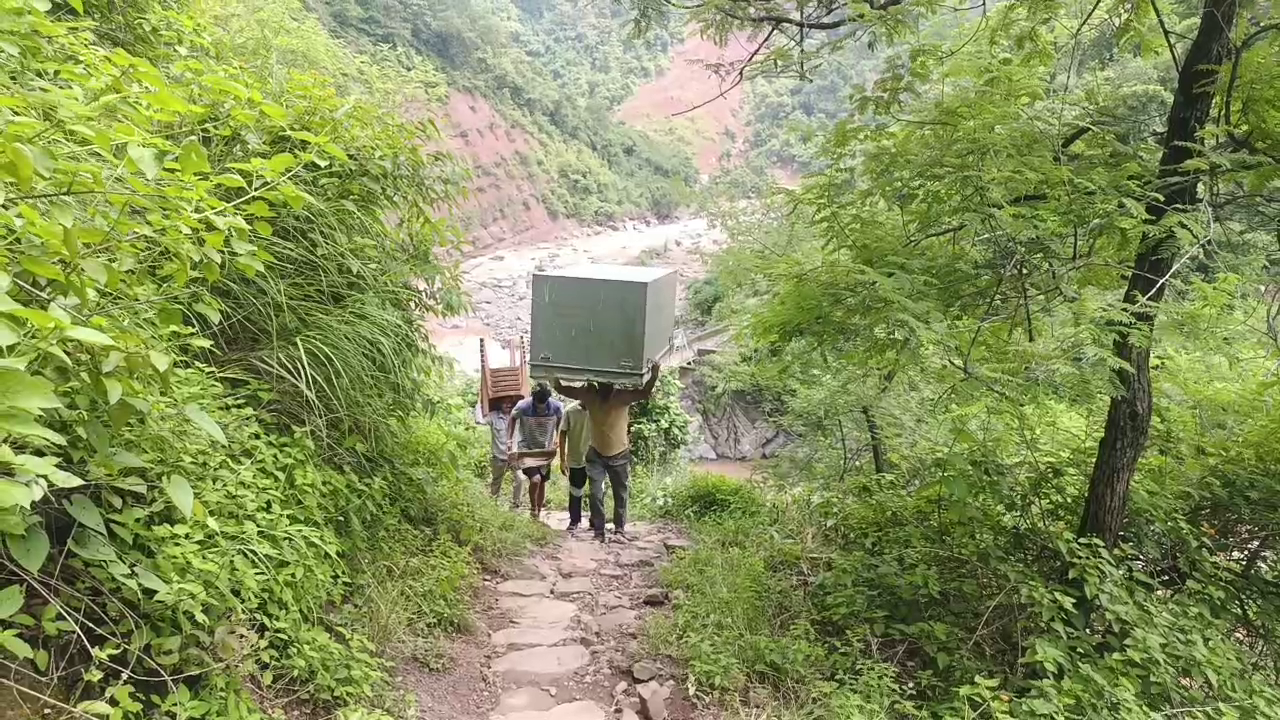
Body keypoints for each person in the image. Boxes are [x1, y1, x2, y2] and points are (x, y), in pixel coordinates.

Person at [555, 362, 661, 542]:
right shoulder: (590, 397)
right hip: (596, 454)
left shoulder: (622, 397)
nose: (604, 388)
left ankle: (619, 529)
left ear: (613, 384)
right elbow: (562, 389)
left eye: (607, 384)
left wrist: (654, 375)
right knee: (596, 494)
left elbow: (644, 393)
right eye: (601, 384)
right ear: (597, 384)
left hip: (619, 454)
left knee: (621, 493)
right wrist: (553, 374)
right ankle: (599, 531)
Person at [507, 381, 563, 520]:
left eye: (543, 402)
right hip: (527, 450)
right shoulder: (523, 406)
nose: (540, 405)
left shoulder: (556, 407)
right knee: (536, 479)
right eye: (538, 402)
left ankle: (538, 514)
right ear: (533, 398)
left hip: (545, 450)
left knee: (542, 481)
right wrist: (509, 441)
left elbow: (561, 421)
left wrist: (557, 437)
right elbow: (512, 418)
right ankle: (533, 508)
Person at [558, 399, 591, 532]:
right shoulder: (570, 411)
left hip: (595, 457)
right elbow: (562, 434)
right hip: (576, 457)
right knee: (576, 490)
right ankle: (574, 520)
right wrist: (562, 460)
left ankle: (595, 520)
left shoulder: (598, 408)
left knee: (597, 490)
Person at [482, 397, 521, 509]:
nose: (508, 405)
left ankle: (516, 504)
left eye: (510, 403)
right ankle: (493, 505)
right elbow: (480, 421)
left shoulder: (517, 416)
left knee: (519, 478)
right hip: (499, 457)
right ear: (500, 404)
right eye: (505, 403)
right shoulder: (493, 416)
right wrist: (480, 401)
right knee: (496, 481)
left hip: (514, 456)